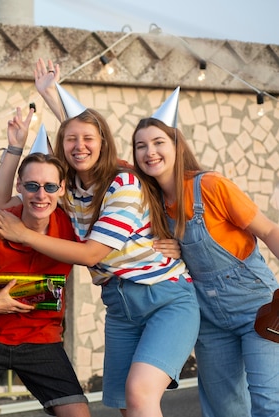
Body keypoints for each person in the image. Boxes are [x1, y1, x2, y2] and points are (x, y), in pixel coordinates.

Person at [0, 59, 200, 417]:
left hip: (165, 298)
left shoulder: (124, 183)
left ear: (104, 143)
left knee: (140, 394)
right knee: (124, 405)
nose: (79, 146)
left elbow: (90, 254)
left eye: (89, 140)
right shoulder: (67, 188)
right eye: (70, 140)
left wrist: (23, 234)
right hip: (118, 306)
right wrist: (17, 144)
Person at [132, 92, 279, 417]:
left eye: (158, 142)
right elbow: (95, 158)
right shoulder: (152, 203)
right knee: (224, 409)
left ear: (176, 145)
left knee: (269, 403)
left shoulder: (211, 186)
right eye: (141, 146)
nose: (150, 151)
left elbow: (268, 230)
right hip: (210, 320)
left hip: (258, 309)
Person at [0, 130, 91, 416]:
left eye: (50, 187)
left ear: (62, 188)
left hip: (41, 337)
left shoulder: (72, 226)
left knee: (79, 413)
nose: (41, 195)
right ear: (19, 186)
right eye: (32, 185)